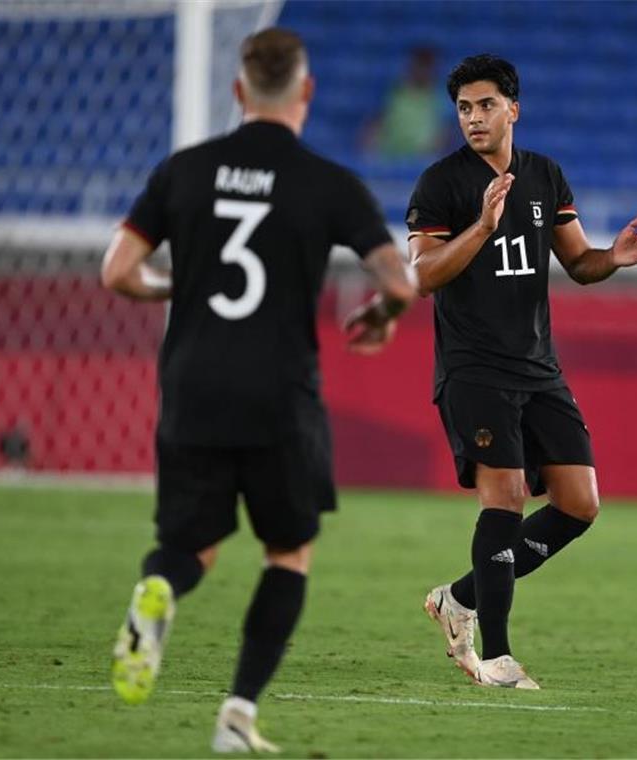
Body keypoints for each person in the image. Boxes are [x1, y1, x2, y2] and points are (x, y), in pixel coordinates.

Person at [100, 28, 416, 753]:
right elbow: (398, 280)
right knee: (287, 553)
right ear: (305, 93)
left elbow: (116, 272)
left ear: (239, 92)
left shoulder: (184, 170)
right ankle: (237, 714)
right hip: (279, 394)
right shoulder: (329, 183)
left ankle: (160, 593)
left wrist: (175, 284)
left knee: (192, 546)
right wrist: (384, 315)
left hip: (192, 387)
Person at [407, 54, 637, 689]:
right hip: (474, 368)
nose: (473, 118)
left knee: (579, 503)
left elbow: (578, 263)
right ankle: (496, 655)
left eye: (486, 105)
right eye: (464, 108)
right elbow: (422, 276)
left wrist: (615, 258)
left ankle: (459, 597)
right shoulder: (441, 185)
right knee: (507, 497)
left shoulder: (545, 175)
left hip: (539, 369)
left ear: (513, 109)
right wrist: (482, 226)